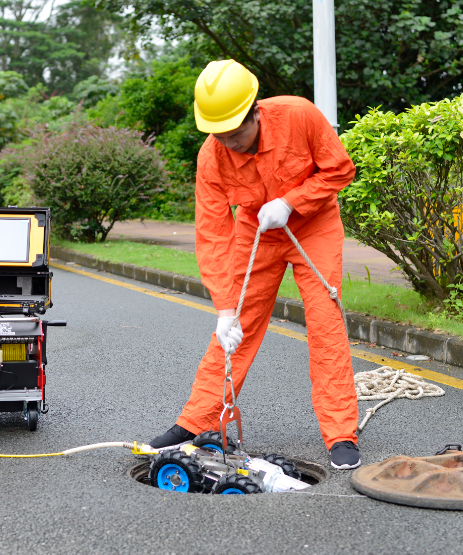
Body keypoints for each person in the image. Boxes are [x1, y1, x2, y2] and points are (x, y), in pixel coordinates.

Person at [148, 60, 361, 469]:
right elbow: (212, 233)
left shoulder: (299, 115)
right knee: (234, 331)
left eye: (235, 134)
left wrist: (291, 202)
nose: (228, 144)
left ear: (256, 112)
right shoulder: (212, 157)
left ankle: (340, 433)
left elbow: (340, 169)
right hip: (256, 228)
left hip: (313, 225)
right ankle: (196, 422)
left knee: (324, 322)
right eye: (219, 135)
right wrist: (224, 310)